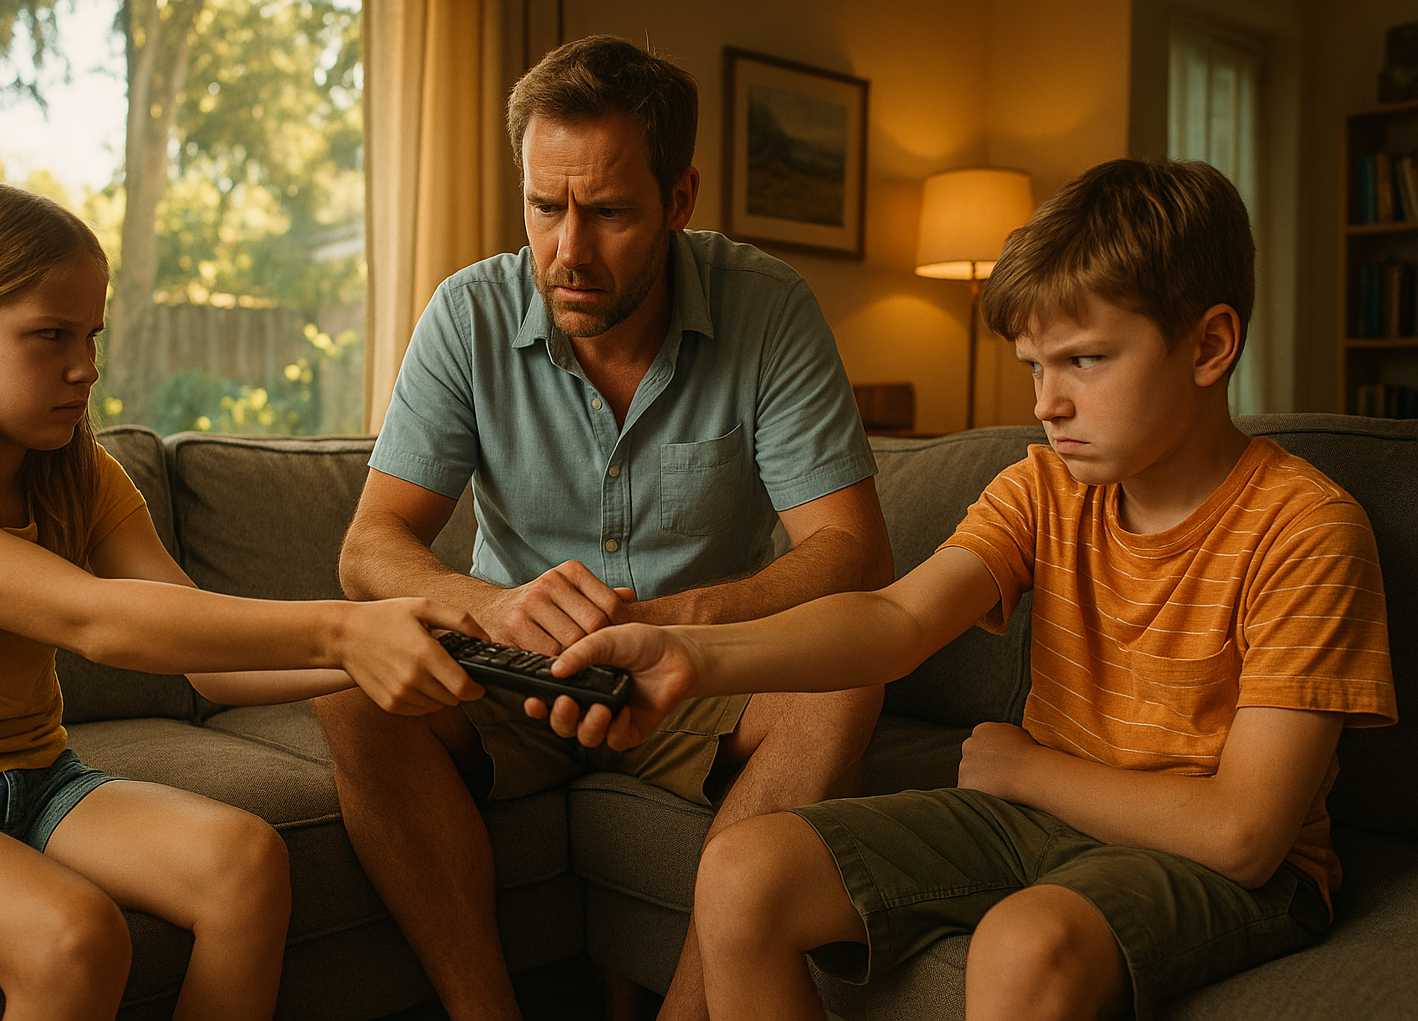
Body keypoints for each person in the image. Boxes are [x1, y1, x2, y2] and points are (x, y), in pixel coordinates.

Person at [546, 158, 1399, 1021]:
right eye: (1034, 366)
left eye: (1085, 360)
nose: (1048, 403)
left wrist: (1025, 770)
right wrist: (688, 653)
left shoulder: (1308, 529)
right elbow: (894, 618)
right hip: (1037, 825)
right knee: (742, 873)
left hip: (1221, 871)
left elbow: (1245, 835)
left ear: (1210, 345)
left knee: (1023, 945)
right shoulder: (1044, 488)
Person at [315, 34, 893, 1021]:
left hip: (695, 674)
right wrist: (494, 608)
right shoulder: (467, 316)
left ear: (678, 200)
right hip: (514, 670)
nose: (569, 250)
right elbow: (369, 548)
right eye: (547, 207)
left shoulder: (769, 310)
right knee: (349, 689)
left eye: (610, 212)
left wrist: (675, 625)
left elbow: (853, 552)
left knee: (847, 675)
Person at [0, 177, 495, 1021]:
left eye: (90, 336)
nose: (84, 369)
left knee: (246, 861)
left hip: (39, 775)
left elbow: (208, 662)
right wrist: (347, 631)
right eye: (49, 336)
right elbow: (94, 620)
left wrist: (382, 659)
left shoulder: (81, 474)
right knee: (73, 938)